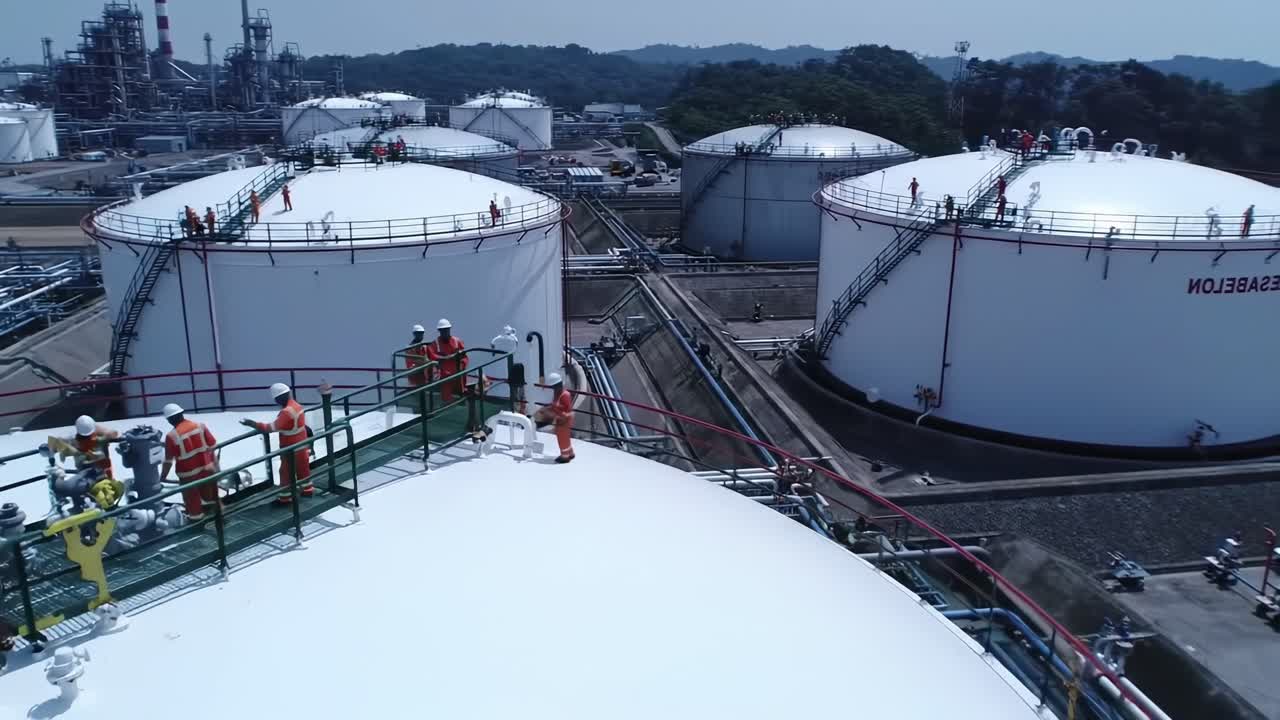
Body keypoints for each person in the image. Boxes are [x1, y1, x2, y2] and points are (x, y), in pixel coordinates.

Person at [241, 383, 312, 505]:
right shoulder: (297, 406)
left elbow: (271, 427)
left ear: (279, 398)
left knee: (285, 473)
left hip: (290, 447)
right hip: (302, 444)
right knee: (303, 468)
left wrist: (253, 424)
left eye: (276, 399)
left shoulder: (286, 412)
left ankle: (285, 498)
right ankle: (307, 490)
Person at [159, 403, 220, 521]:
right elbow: (212, 445)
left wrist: (163, 477)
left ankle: (197, 525)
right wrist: (214, 465)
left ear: (169, 419)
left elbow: (168, 461)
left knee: (193, 504)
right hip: (207, 470)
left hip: (188, 476)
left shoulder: (172, 436)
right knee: (210, 498)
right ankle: (218, 522)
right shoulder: (200, 426)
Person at [533, 373, 574, 464]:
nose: (552, 389)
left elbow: (566, 409)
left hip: (564, 420)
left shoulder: (565, 395)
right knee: (564, 437)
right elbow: (556, 405)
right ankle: (570, 453)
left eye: (554, 386)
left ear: (558, 385)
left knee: (562, 438)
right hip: (560, 419)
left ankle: (565, 456)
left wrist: (554, 409)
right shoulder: (558, 393)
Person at [426, 318, 468, 404]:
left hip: (458, 374)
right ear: (439, 331)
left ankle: (462, 403)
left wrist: (461, 365)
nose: (445, 332)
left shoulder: (457, 341)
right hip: (444, 376)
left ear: (449, 329)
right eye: (443, 330)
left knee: (462, 394)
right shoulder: (435, 344)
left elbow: (465, 357)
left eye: (446, 330)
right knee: (446, 399)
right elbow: (432, 356)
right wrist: (448, 357)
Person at [72, 415, 120, 480]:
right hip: (105, 477)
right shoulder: (101, 440)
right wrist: (101, 429)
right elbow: (115, 433)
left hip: (84, 480)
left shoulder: (74, 442)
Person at [491, 325, 525, 414]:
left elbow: (493, 342)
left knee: (517, 391)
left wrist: (493, 349)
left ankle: (518, 409)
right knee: (517, 391)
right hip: (516, 368)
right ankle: (517, 409)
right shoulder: (513, 339)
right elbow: (493, 342)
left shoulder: (502, 339)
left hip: (516, 369)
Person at [404, 323, 429, 392]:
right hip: (414, 377)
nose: (421, 335)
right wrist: (426, 362)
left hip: (424, 377)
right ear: (414, 334)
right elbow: (413, 361)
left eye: (422, 333)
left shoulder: (425, 346)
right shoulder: (409, 348)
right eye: (418, 333)